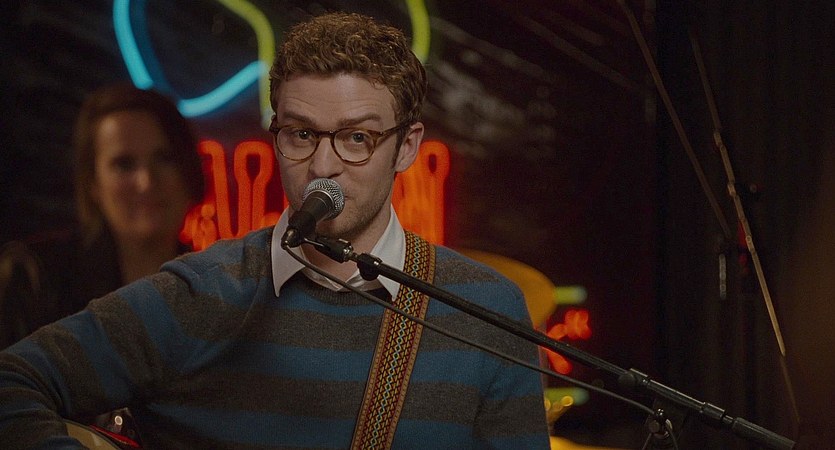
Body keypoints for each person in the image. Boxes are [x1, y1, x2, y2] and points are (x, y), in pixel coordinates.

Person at [0, 12, 549, 449]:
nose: (324, 166)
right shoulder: (202, 294)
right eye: (301, 134)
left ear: (406, 147)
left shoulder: (487, 313)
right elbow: (12, 382)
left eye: (356, 138)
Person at [0, 83, 205, 442]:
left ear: (188, 170)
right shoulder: (30, 276)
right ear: (93, 183)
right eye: (124, 164)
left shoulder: (217, 291)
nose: (146, 182)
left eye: (164, 158)